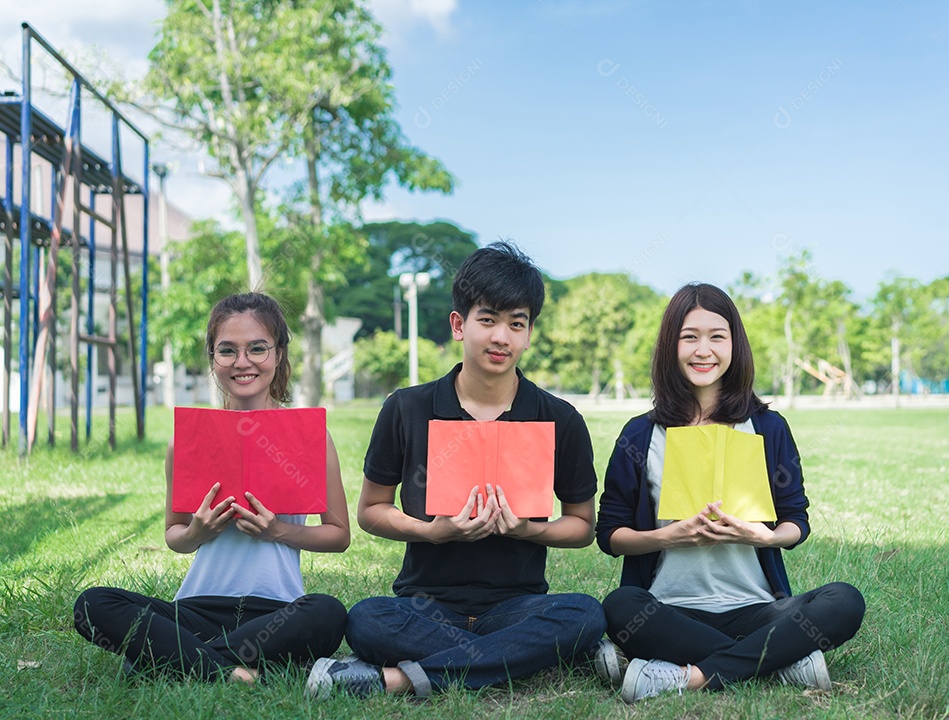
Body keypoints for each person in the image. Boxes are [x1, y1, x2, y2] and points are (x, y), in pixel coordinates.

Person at [307, 241, 605, 699]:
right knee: (368, 618)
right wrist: (432, 532)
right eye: (487, 320)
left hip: (518, 605)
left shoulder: (559, 418)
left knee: (584, 614)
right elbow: (372, 510)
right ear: (458, 324)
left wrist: (527, 529)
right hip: (425, 606)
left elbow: (582, 526)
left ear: (529, 334)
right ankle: (515, 656)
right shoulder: (406, 407)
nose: (501, 337)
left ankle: (399, 679)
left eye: (516, 324)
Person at [594, 282, 865, 703]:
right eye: (690, 337)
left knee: (844, 601)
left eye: (717, 337)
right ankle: (782, 662)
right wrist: (670, 536)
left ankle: (688, 676)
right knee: (619, 606)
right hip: (667, 610)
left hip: (758, 611)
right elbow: (610, 535)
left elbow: (797, 518)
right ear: (671, 345)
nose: (704, 350)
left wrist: (767, 536)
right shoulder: (641, 434)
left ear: (735, 345)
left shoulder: (768, 428)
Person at [73, 292, 350, 683]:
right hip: (194, 611)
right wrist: (196, 533)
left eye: (257, 348)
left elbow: (338, 536)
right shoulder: (185, 439)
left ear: (279, 353)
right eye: (227, 351)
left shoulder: (311, 437)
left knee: (328, 613)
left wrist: (278, 531)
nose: (242, 362)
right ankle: (238, 673)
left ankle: (171, 660)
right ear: (212, 358)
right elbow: (175, 536)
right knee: (93, 604)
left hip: (276, 612)